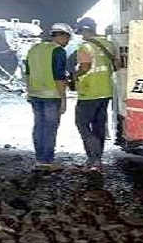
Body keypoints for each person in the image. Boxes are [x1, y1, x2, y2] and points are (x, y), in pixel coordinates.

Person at [72, 17, 118, 171]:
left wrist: (74, 75)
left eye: (82, 32)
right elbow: (116, 65)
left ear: (85, 30)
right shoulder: (109, 44)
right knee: (99, 125)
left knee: (82, 124)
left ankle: (93, 158)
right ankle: (97, 160)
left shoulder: (85, 47)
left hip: (89, 92)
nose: (81, 35)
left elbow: (85, 67)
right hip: (106, 91)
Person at [25, 23, 71, 171]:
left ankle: (39, 159)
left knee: (39, 126)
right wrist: (63, 99)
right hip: (51, 95)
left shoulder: (34, 49)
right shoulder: (58, 51)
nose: (68, 41)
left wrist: (29, 91)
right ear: (62, 35)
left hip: (35, 94)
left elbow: (27, 73)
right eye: (68, 38)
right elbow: (59, 77)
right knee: (50, 128)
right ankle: (47, 161)